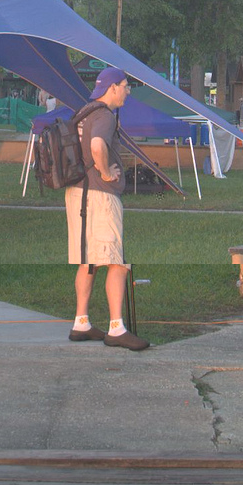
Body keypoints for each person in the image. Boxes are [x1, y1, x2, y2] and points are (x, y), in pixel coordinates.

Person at [65, 66, 149, 351]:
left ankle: (81, 322)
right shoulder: (104, 115)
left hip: (78, 194)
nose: (128, 91)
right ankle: (116, 329)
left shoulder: (84, 112)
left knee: (88, 260)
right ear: (112, 88)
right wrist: (105, 172)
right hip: (99, 196)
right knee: (117, 262)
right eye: (126, 86)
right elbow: (98, 146)